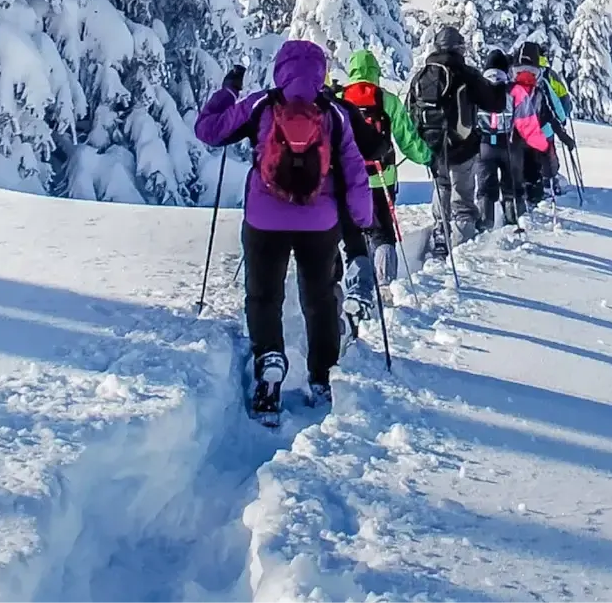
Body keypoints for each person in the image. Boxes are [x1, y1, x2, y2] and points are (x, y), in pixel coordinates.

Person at [195, 38, 374, 417]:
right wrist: (362, 218)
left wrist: (227, 92)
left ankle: (270, 365)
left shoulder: (261, 103)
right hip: (320, 221)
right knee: (320, 299)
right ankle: (322, 378)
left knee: (263, 296)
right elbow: (355, 168)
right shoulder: (333, 111)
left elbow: (209, 131)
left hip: (265, 218)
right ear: (321, 72)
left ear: (280, 68)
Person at [335, 48, 427, 312]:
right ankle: (385, 286)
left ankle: (354, 287)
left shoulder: (339, 99)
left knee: (350, 235)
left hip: (346, 181)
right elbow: (407, 138)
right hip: (381, 179)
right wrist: (426, 157)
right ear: (375, 72)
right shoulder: (386, 100)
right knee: (383, 233)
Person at [405, 27, 506, 253]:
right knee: (462, 194)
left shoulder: (423, 74)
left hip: (431, 144)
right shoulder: (466, 74)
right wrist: (500, 85)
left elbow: (408, 110)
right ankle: (463, 243)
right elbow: (495, 104)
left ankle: (441, 232)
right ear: (459, 48)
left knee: (441, 187)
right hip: (462, 145)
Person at [515, 38, 575, 209]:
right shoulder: (548, 75)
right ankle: (548, 183)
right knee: (547, 157)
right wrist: (561, 121)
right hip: (545, 129)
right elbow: (562, 99)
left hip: (519, 131)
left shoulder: (515, 73)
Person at [474, 47, 525, 228]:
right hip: (509, 144)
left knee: (485, 188)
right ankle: (515, 221)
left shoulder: (478, 88)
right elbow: (524, 118)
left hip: (484, 144)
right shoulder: (513, 90)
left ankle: (484, 224)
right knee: (511, 186)